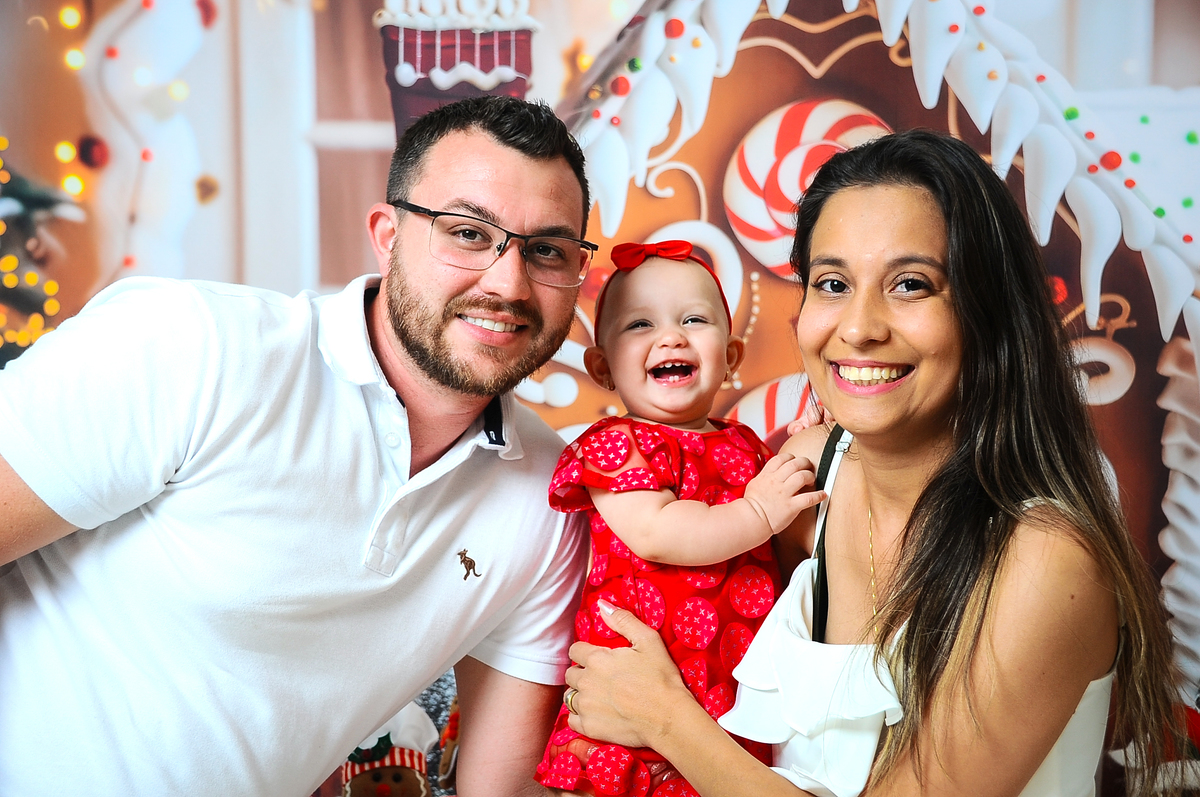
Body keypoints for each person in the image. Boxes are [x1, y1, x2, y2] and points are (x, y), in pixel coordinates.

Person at [557, 130, 1183, 796]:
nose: (858, 328)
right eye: (832, 284)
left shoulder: (1045, 557)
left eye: (910, 284)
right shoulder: (802, 478)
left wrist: (665, 719)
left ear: (990, 313)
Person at [0, 96, 595, 796]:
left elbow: (503, 788)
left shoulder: (553, 499)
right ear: (387, 236)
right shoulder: (193, 346)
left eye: (547, 250)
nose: (507, 283)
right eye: (468, 233)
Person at [533, 241, 825, 796]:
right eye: (640, 324)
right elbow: (658, 532)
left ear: (731, 357)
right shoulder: (619, 445)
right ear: (602, 367)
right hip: (635, 688)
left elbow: (786, 533)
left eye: (694, 320)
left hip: (726, 684)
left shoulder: (744, 443)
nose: (671, 337)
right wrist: (757, 509)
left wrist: (803, 454)